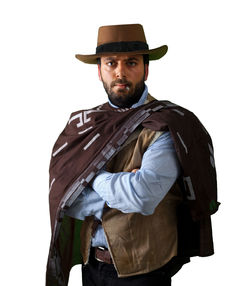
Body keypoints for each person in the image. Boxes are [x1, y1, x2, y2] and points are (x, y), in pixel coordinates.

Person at [46, 24, 219, 286]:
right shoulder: (84, 125)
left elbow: (142, 197)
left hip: (144, 271)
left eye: (131, 63)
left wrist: (87, 176)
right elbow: (64, 196)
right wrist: (118, 189)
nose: (120, 72)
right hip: (91, 265)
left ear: (146, 69)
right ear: (99, 71)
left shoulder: (167, 125)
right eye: (111, 63)